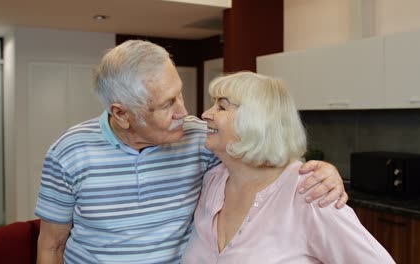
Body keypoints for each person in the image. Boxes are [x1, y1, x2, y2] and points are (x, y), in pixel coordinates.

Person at [35, 40, 348, 264]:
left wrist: (317, 169)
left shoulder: (201, 140)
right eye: (166, 104)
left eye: (179, 94)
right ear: (121, 114)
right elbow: (52, 245)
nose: (184, 112)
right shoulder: (69, 153)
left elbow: (259, 158)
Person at [182, 72, 394, 264]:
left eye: (221, 106)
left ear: (256, 120)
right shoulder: (212, 181)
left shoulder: (309, 192)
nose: (205, 114)